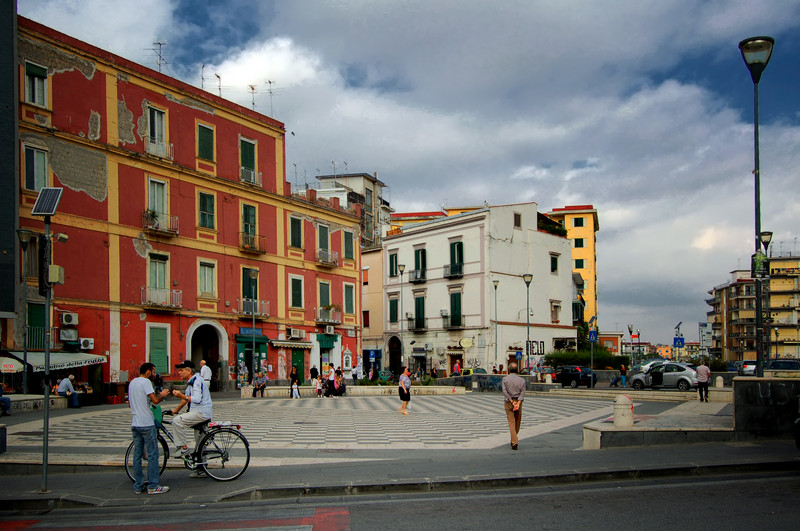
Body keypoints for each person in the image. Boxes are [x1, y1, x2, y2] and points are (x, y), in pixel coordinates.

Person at [129, 362, 171, 494]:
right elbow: (155, 400)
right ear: (147, 371)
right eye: (153, 371)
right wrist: (163, 394)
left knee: (137, 455)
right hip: (146, 423)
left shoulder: (132, 383)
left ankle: (138, 485)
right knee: (153, 454)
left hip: (135, 423)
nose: (154, 374)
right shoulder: (146, 382)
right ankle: (153, 485)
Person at [171, 360, 213, 478]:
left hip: (200, 412)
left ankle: (183, 448)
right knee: (200, 443)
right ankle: (201, 469)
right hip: (199, 412)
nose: (179, 373)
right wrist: (176, 410)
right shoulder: (192, 381)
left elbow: (197, 399)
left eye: (181, 370)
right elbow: (186, 399)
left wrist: (181, 395)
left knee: (177, 421)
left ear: (189, 371)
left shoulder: (197, 381)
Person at [502, 362, 526, 450]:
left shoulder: (505, 379)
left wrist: (512, 402)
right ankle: (514, 441)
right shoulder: (522, 380)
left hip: (508, 402)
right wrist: (518, 403)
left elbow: (504, 391)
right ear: (517, 370)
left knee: (511, 422)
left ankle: (513, 439)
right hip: (518, 401)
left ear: (509, 370)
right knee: (517, 422)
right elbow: (522, 393)